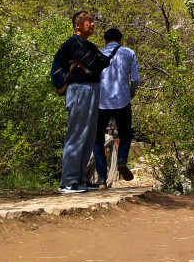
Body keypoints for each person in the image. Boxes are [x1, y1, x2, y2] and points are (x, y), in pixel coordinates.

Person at [58, 11, 109, 194]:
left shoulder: (89, 44)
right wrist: (95, 61)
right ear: (77, 25)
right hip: (79, 89)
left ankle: (80, 179)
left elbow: (104, 62)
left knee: (88, 136)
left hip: (93, 88)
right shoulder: (73, 43)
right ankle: (68, 182)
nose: (92, 23)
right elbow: (95, 62)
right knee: (76, 134)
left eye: (93, 21)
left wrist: (96, 61)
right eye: (88, 21)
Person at [93, 27, 141, 187]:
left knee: (98, 139)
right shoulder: (129, 53)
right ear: (121, 40)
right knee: (126, 133)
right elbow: (135, 78)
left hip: (102, 102)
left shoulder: (98, 54)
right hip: (122, 101)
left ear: (105, 41)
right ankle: (121, 160)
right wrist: (131, 92)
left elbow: (94, 78)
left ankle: (101, 179)